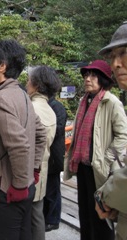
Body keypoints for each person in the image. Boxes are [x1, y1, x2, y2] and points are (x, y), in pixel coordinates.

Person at [0, 39, 47, 240]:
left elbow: (18, 144)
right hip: (26, 183)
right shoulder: (22, 94)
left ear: (2, 66)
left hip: (8, 187)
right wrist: (33, 170)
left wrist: (18, 186)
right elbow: (40, 134)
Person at [63, 60, 127, 240]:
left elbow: (123, 135)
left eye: (93, 76)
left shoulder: (111, 102)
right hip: (83, 166)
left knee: (101, 215)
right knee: (85, 212)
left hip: (100, 167)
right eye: (86, 76)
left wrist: (106, 159)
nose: (87, 79)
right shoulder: (85, 100)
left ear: (103, 79)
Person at [95, 22, 127, 240]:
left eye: (123, 53)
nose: (116, 64)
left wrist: (106, 195)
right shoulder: (85, 102)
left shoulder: (112, 101)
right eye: (112, 56)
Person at [26, 66, 58, 240]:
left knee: (29, 215)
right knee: (37, 212)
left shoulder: (30, 108)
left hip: (29, 168)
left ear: (36, 84)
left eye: (29, 80)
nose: (26, 83)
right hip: (42, 167)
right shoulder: (50, 110)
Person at [43, 96, 67, 232]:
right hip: (47, 153)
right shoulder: (46, 105)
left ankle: (53, 220)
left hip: (54, 155)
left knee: (52, 189)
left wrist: (43, 130)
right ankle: (47, 217)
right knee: (46, 189)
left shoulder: (57, 106)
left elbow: (58, 129)